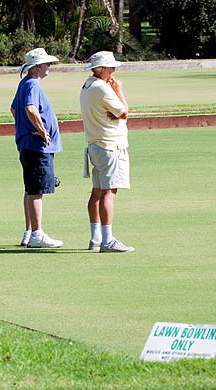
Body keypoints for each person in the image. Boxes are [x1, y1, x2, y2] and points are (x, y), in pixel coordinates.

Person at [79, 51, 134, 253]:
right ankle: (107, 240)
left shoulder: (87, 85)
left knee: (98, 191)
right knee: (109, 192)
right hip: (111, 145)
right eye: (111, 68)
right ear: (101, 69)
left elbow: (115, 113)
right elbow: (124, 112)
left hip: (95, 144)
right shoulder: (103, 88)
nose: (113, 71)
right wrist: (119, 89)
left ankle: (96, 238)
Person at [10, 48, 64, 248]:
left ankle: (30, 231)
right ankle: (37, 234)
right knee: (36, 190)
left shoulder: (24, 83)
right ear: (38, 67)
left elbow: (14, 109)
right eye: (47, 64)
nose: (49, 67)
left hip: (28, 143)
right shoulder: (32, 84)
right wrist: (40, 130)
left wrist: (24, 127)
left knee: (31, 188)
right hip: (36, 146)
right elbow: (30, 108)